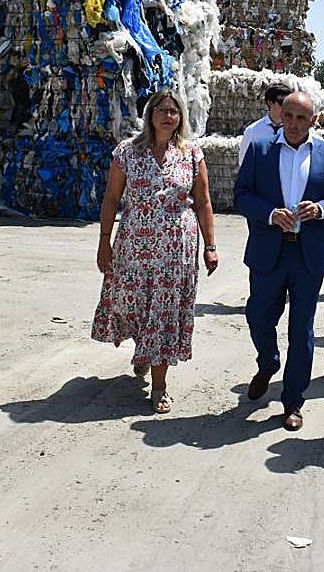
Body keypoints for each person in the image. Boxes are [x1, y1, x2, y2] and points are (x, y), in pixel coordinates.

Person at [94, 90, 219, 414]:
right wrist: (104, 240)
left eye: (174, 111)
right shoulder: (127, 152)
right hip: (133, 247)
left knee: (163, 312)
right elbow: (111, 198)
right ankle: (144, 349)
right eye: (162, 110)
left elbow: (203, 202)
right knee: (133, 305)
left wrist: (210, 245)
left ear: (181, 117)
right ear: (150, 114)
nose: (168, 116)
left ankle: (159, 385)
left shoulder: (192, 153)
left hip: (176, 250)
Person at [235, 90, 324, 432]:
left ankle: (293, 400)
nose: (295, 124)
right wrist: (270, 214)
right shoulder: (260, 150)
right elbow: (241, 195)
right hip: (269, 250)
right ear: (280, 116)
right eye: (289, 116)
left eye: (302, 118)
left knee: (301, 330)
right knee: (258, 316)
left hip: (308, 254)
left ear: (313, 120)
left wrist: (322, 209)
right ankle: (268, 362)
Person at [238, 83, 292, 167]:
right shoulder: (253, 131)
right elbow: (244, 162)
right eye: (282, 102)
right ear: (270, 103)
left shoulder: (294, 130)